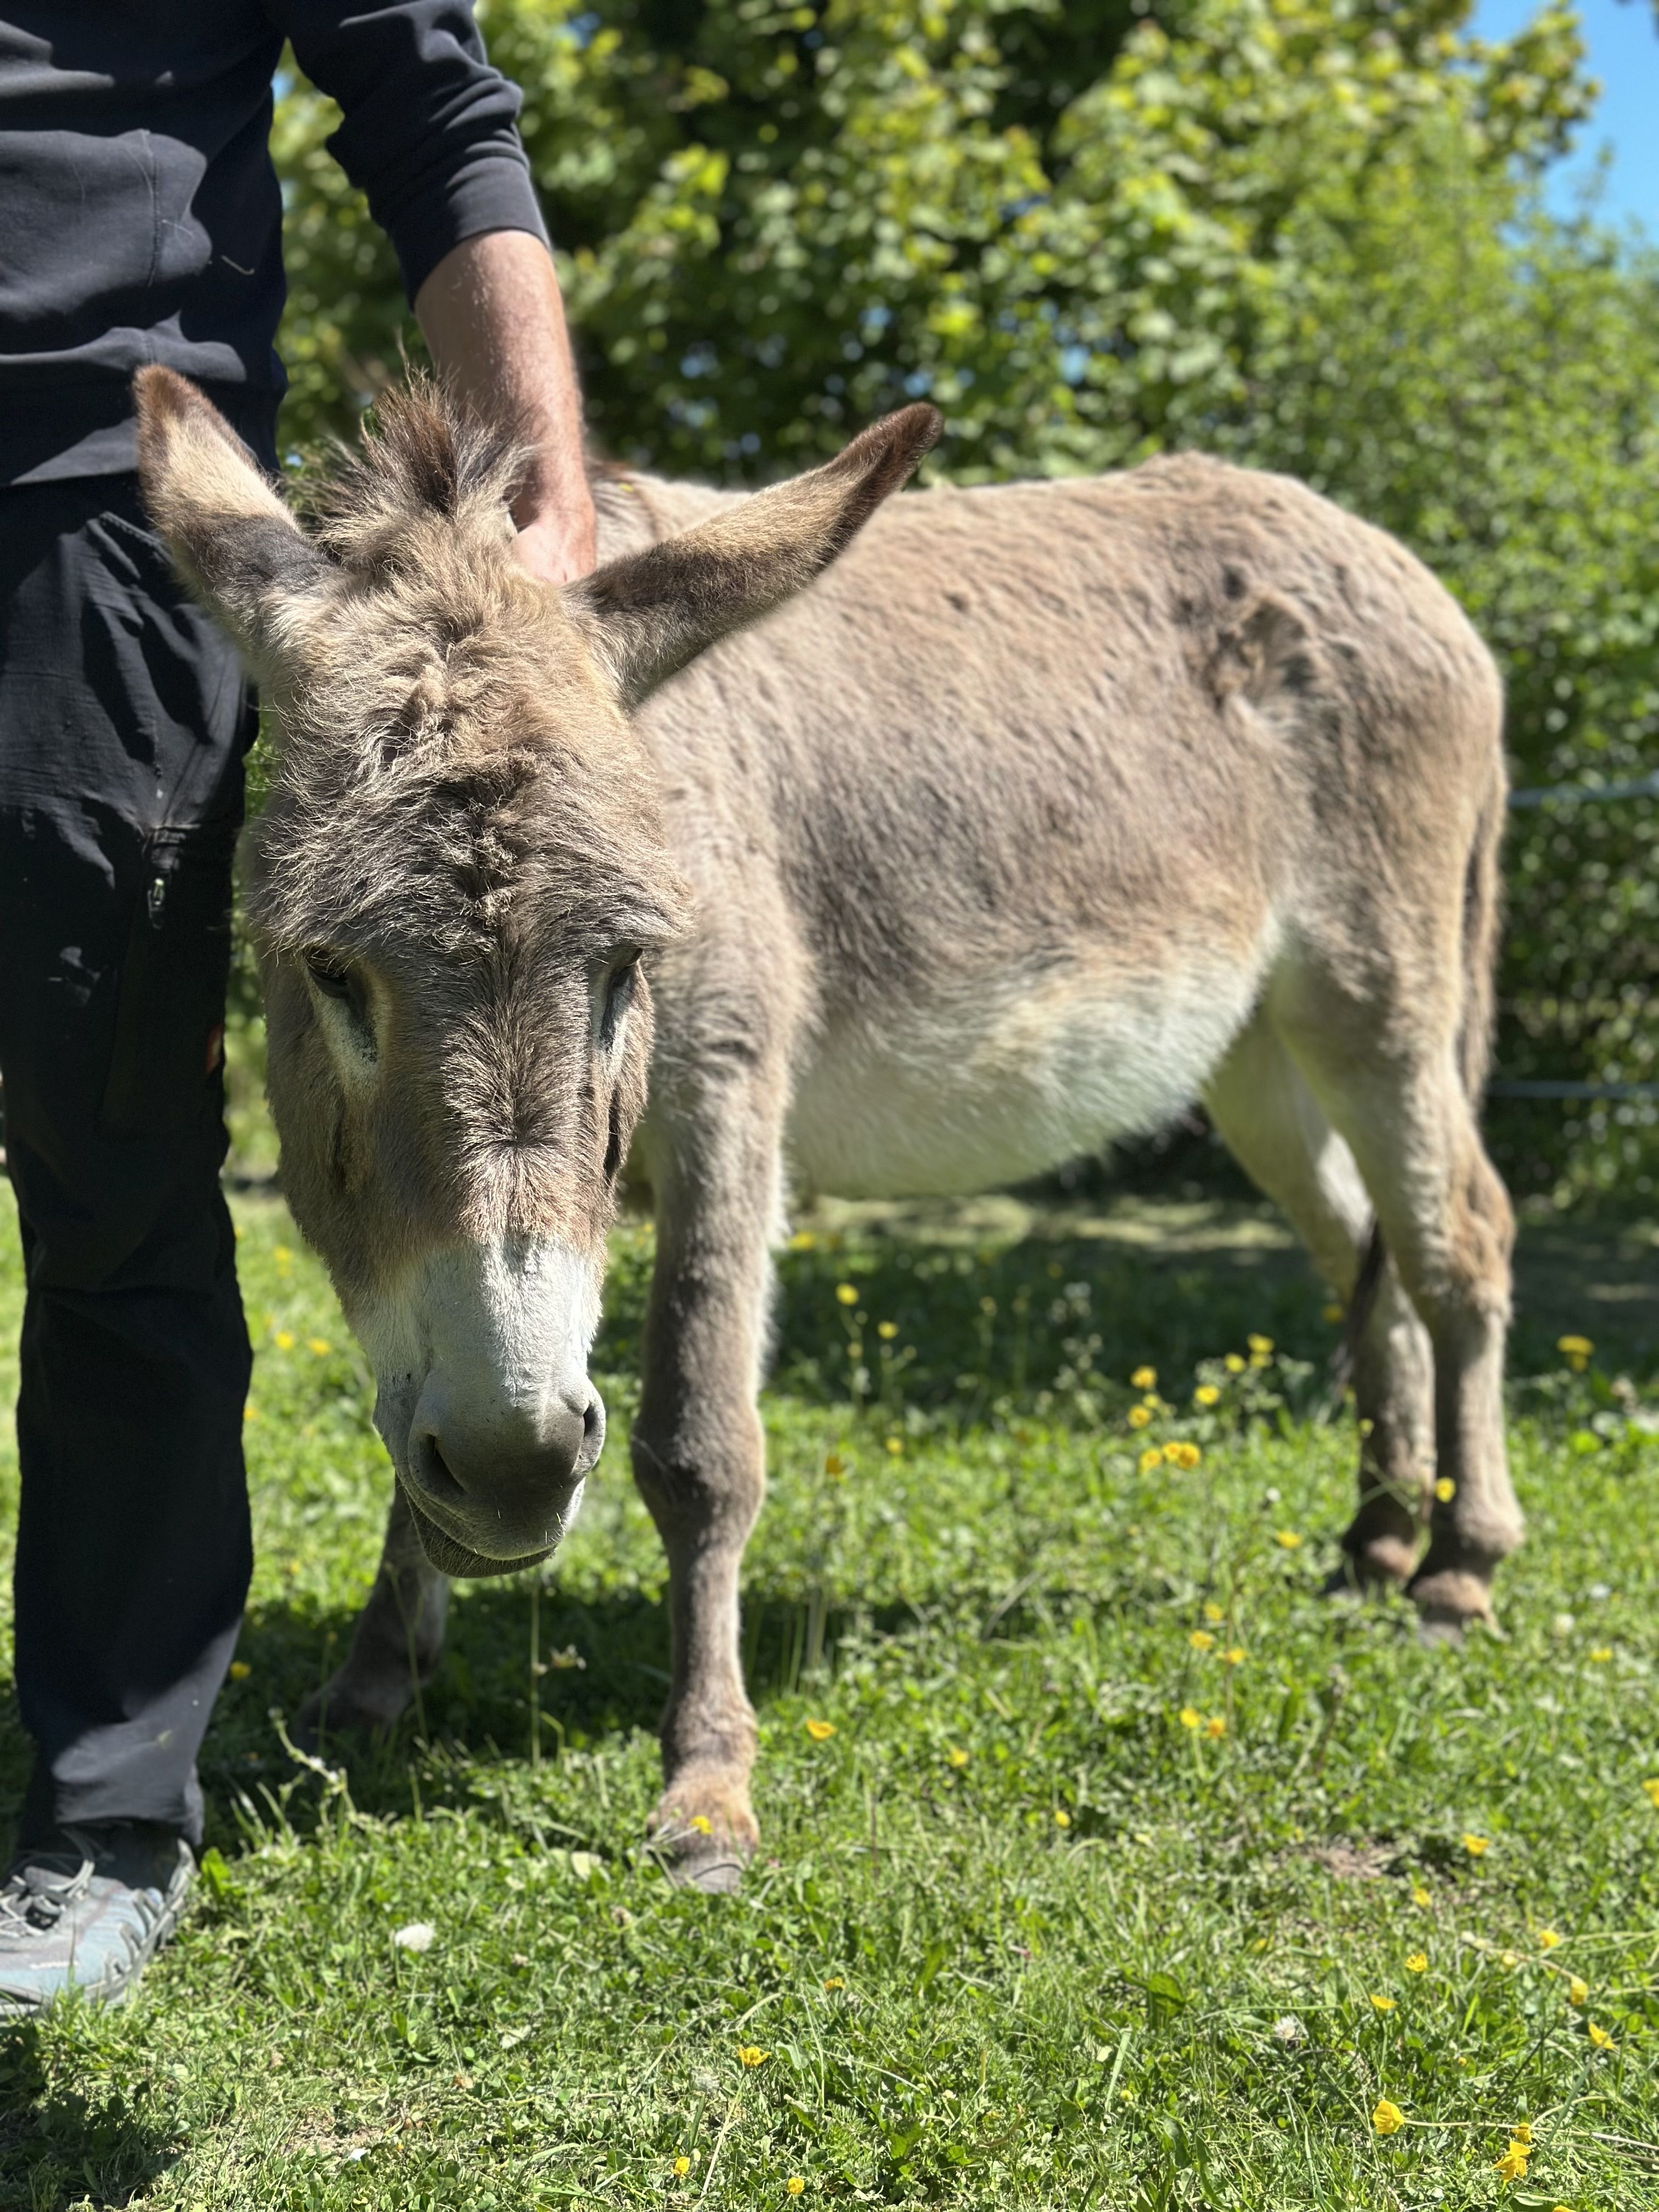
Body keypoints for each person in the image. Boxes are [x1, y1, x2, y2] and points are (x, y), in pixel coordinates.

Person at [0, 2, 594, 2015]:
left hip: (92, 485)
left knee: (111, 1162)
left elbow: (436, 104)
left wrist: (548, 514)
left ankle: (103, 1817)